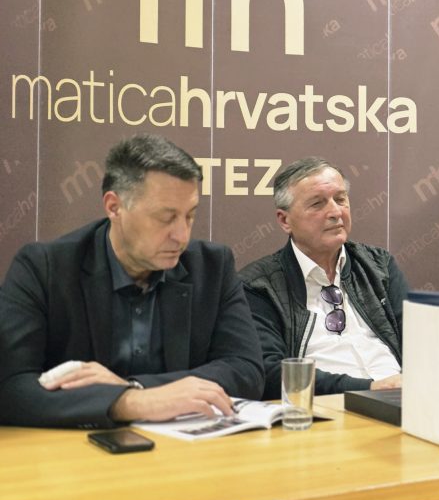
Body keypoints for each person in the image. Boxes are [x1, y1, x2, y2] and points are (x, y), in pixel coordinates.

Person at [0, 134, 264, 429]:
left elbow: (247, 370)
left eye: (190, 216)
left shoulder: (212, 266)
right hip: (74, 451)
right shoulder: (44, 268)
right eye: (165, 218)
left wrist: (137, 388)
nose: (181, 235)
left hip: (186, 449)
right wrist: (128, 402)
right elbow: (10, 388)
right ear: (114, 207)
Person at [240, 157, 406, 400]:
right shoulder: (258, 285)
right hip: (327, 407)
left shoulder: (379, 266)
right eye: (317, 204)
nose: (336, 212)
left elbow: (421, 342)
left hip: (403, 400)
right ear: (285, 220)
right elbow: (270, 373)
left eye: (340, 199)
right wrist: (369, 388)